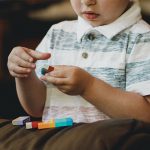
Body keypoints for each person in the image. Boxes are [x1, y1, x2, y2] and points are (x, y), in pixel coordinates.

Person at [7, 0, 150, 123]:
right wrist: (25, 73)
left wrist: (88, 86)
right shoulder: (58, 32)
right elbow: (37, 108)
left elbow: (146, 116)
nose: (87, 1)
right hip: (57, 141)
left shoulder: (142, 38)